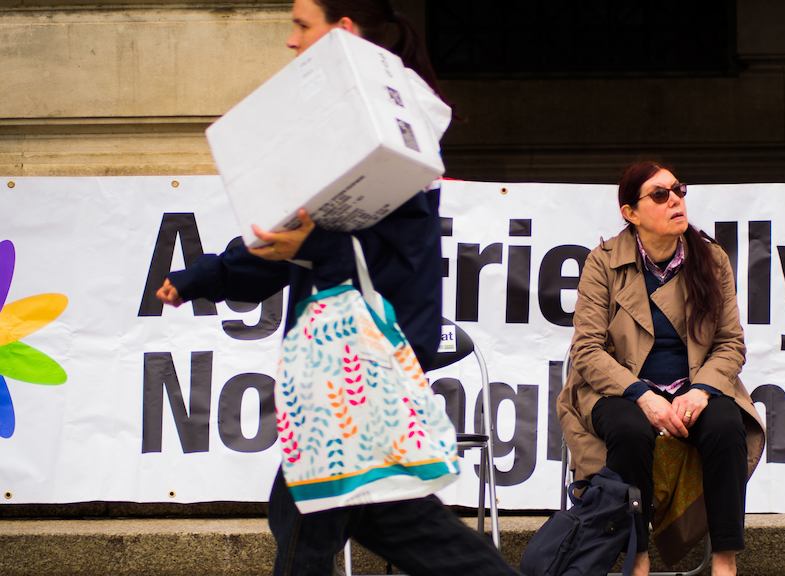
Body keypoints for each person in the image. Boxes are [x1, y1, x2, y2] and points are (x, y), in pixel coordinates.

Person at [156, 1, 519, 575]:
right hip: (359, 362)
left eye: (302, 25)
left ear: (342, 32)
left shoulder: (373, 138)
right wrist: (201, 277)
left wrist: (223, 271)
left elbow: (340, 251)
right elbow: (292, 246)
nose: (290, 41)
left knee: (316, 515)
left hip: (365, 361)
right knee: (371, 521)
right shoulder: (369, 127)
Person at [556, 161, 766, 576]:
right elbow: (587, 350)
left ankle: (725, 562)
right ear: (630, 213)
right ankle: (637, 558)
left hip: (692, 387)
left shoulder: (712, 259)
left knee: (727, 426)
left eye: (679, 190)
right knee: (631, 431)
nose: (675, 200)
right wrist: (643, 395)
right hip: (619, 390)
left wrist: (702, 390)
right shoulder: (602, 263)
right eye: (659, 194)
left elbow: (730, 343)